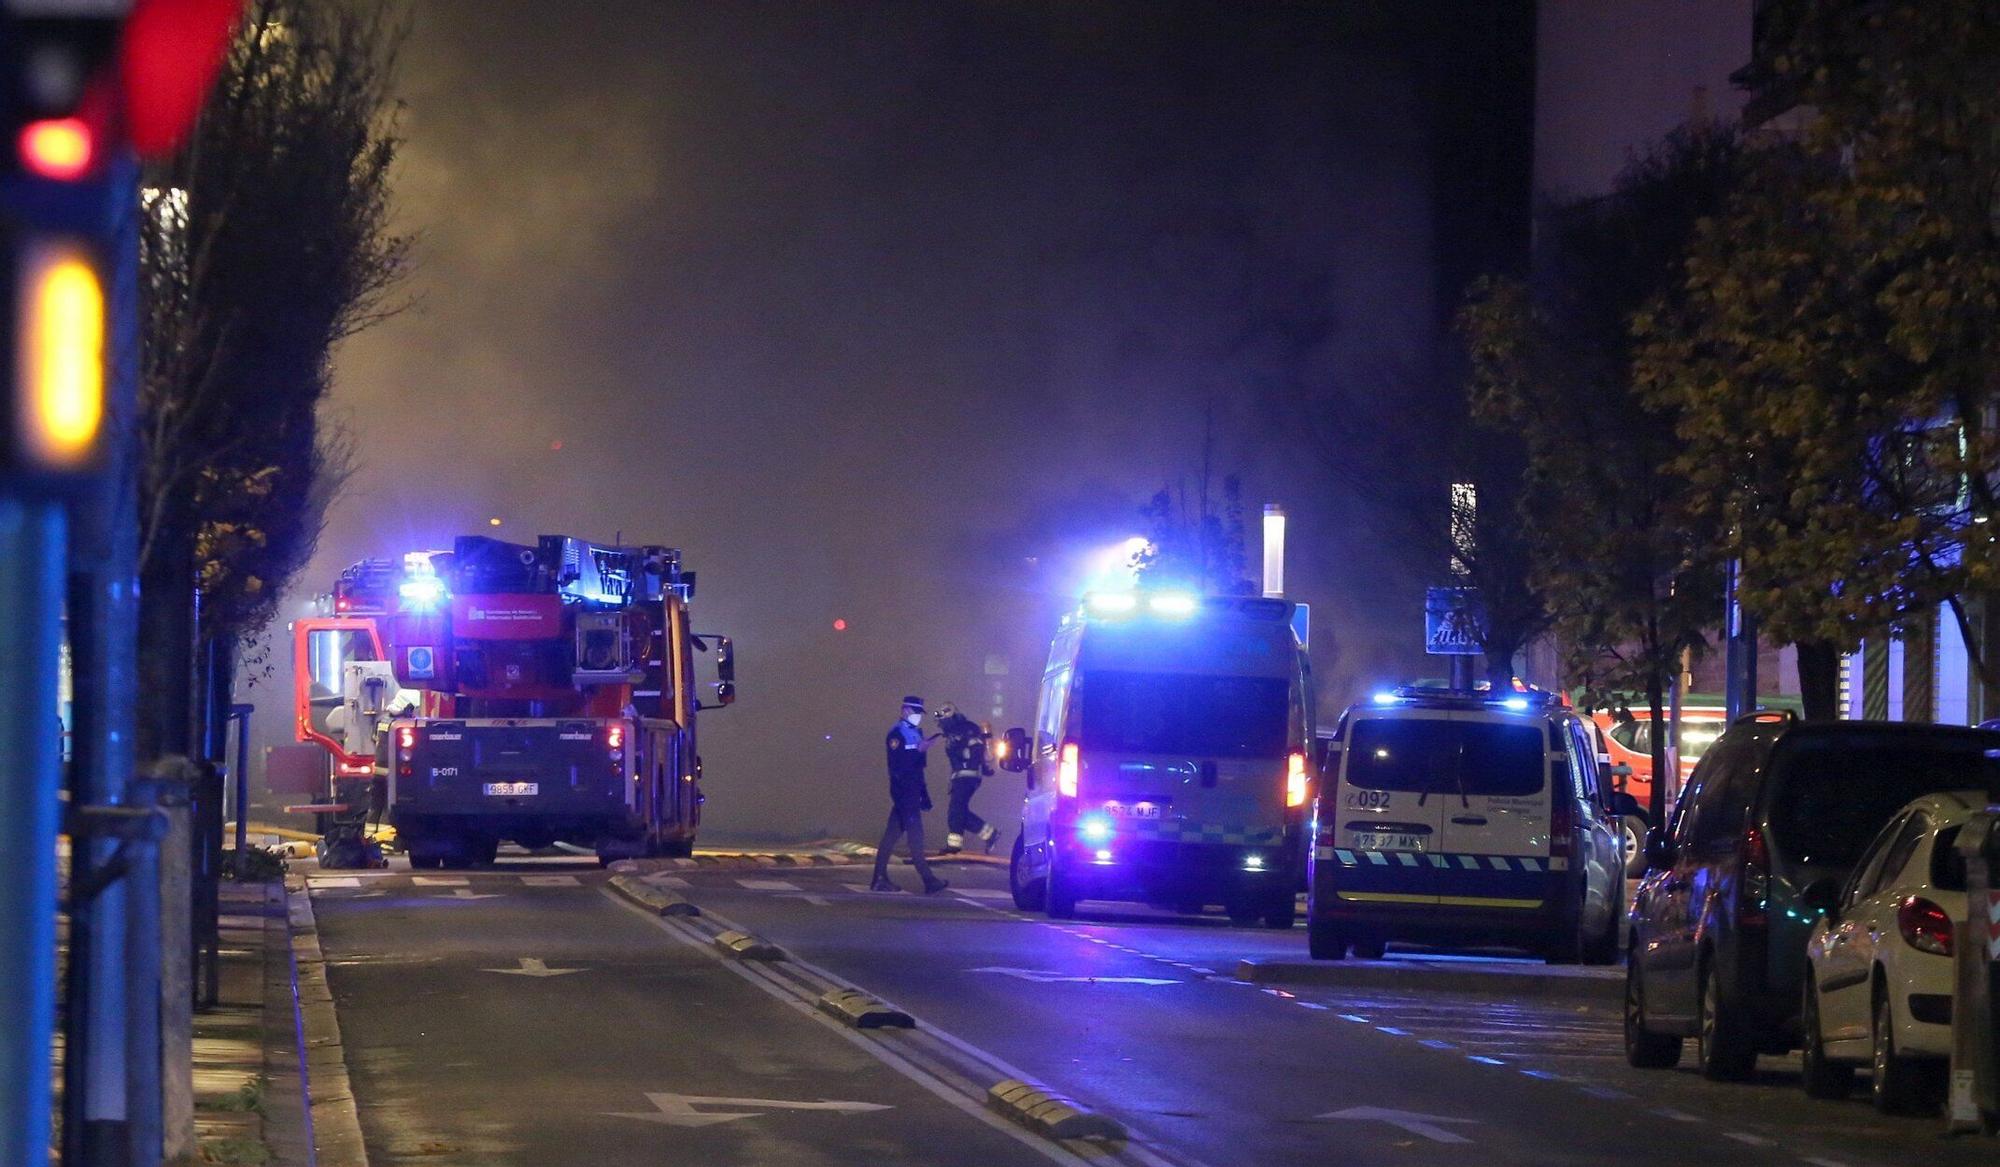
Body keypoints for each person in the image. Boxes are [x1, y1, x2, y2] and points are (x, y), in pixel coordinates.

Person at [871, 695, 949, 894]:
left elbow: (917, 769)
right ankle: (929, 880)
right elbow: (897, 764)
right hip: (903, 792)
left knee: (891, 837)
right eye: (915, 713)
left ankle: (879, 879)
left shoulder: (914, 732)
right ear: (905, 710)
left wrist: (924, 795)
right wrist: (919, 750)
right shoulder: (897, 733)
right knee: (916, 838)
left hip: (912, 791)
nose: (918, 717)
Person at [934, 702, 999, 854]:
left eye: (941, 721)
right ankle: (989, 834)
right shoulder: (953, 732)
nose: (940, 725)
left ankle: (955, 846)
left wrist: (978, 765)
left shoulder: (967, 729)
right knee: (958, 811)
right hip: (961, 777)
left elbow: (977, 748)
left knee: (956, 810)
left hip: (968, 776)